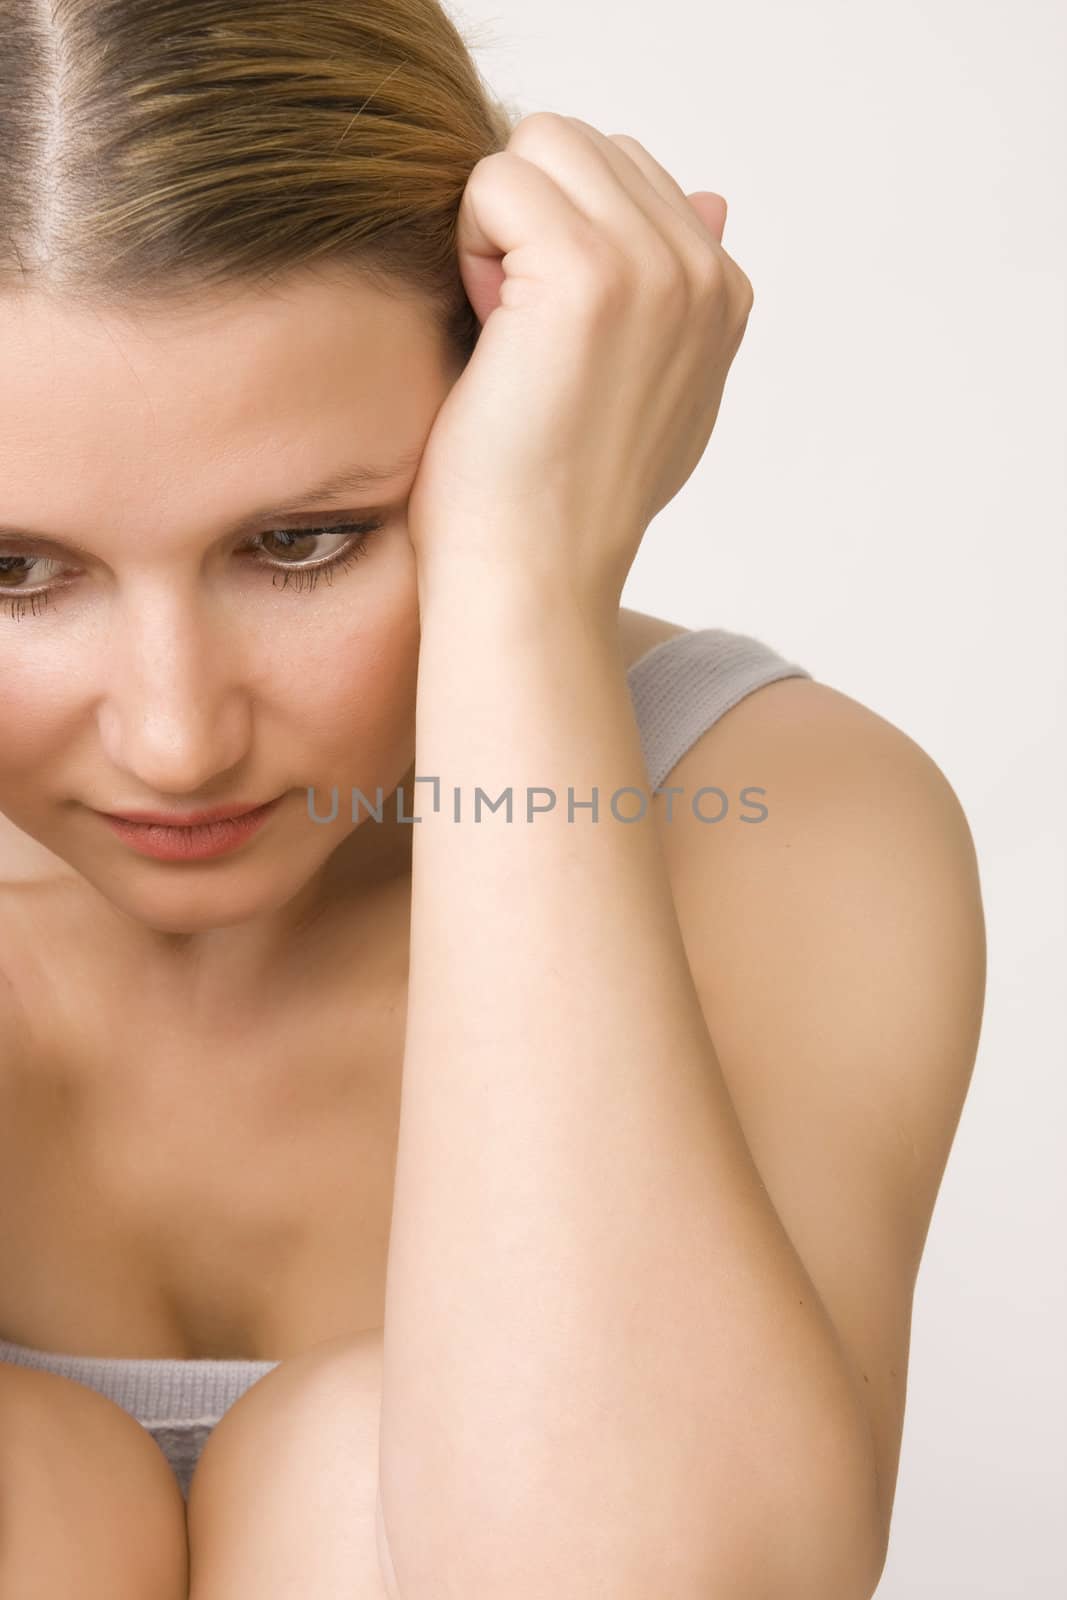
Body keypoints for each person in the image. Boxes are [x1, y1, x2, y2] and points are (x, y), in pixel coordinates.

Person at [0, 4, 987, 1598]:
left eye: (306, 541)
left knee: (355, 1472)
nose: (177, 739)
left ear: (495, 410)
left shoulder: (785, 816)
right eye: (14, 572)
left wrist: (523, 586)